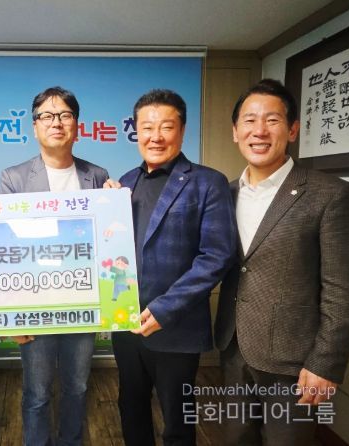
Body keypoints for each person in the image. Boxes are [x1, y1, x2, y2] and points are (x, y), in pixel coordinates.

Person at [215, 79, 349, 445]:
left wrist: (325, 363)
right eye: (249, 121)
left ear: (292, 129)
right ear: (235, 131)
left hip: (294, 361)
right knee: (236, 438)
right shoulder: (223, 194)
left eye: (272, 120)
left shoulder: (332, 194)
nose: (259, 131)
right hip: (233, 348)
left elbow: (343, 291)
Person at [105, 89, 236, 446]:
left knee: (177, 419)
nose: (156, 136)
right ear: (136, 131)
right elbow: (113, 251)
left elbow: (216, 255)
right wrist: (102, 207)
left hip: (176, 326)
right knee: (131, 407)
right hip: (128, 324)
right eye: (147, 127)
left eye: (166, 126)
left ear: (182, 130)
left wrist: (165, 309)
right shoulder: (124, 183)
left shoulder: (208, 182)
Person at [0, 86, 109, 445]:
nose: (56, 122)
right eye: (46, 115)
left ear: (77, 125)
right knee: (37, 391)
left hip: (82, 301)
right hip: (34, 305)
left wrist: (114, 206)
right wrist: (13, 317)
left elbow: (107, 238)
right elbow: (4, 247)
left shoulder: (97, 175)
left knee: (78, 386)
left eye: (64, 115)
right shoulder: (13, 178)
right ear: (35, 127)